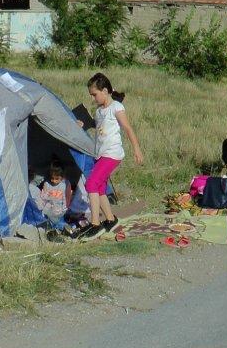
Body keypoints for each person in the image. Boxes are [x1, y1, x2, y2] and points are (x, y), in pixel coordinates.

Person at [77, 73, 144, 239]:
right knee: (99, 188)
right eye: (91, 95)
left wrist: (136, 149)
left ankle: (95, 224)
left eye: (95, 94)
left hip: (112, 154)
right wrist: (84, 124)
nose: (93, 98)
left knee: (91, 184)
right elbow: (98, 125)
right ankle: (110, 220)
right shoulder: (100, 111)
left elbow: (127, 128)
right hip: (100, 154)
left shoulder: (117, 107)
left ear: (105, 90)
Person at [29, 159, 72, 235]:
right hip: (50, 209)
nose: (54, 181)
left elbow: (67, 199)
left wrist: (64, 210)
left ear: (62, 177)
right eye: (52, 178)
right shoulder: (47, 183)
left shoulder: (65, 184)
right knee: (49, 219)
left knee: (58, 220)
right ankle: (59, 228)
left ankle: (65, 228)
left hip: (60, 210)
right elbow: (44, 198)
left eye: (56, 179)